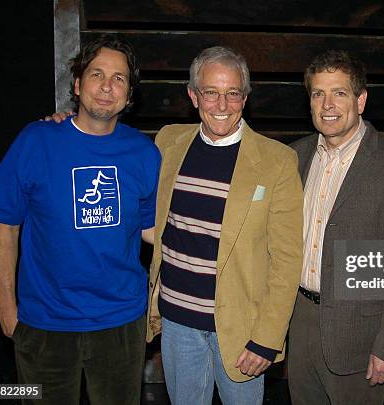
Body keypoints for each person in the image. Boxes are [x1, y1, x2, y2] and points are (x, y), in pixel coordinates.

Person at [0, 35, 161, 405]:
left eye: (119, 78)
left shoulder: (144, 152)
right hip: (44, 324)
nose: (107, 87)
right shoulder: (36, 141)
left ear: (129, 95)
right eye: (97, 74)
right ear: (77, 85)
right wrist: (6, 309)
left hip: (120, 323)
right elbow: (6, 228)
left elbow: (151, 231)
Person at [145, 46, 303, 404]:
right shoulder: (168, 142)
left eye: (233, 93)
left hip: (241, 329)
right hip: (177, 323)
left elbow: (286, 260)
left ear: (244, 99)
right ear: (193, 95)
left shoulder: (277, 161)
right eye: (210, 92)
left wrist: (267, 338)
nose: (221, 104)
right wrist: (63, 121)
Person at [287, 50, 384, 404]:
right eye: (318, 93)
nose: (327, 104)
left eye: (339, 92)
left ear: (361, 100)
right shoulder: (294, 158)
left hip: (361, 336)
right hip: (299, 321)